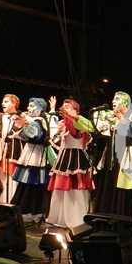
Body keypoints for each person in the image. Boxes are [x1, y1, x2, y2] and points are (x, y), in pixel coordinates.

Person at [46, 98, 95, 229]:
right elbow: (53, 139)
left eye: (68, 107)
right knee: (61, 189)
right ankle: (60, 217)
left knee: (75, 190)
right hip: (64, 158)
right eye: (64, 106)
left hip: (77, 158)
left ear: (75, 110)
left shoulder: (79, 122)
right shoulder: (62, 123)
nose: (65, 108)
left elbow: (89, 127)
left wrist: (75, 117)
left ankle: (77, 218)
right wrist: (53, 112)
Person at [92, 91, 132, 217]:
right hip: (110, 157)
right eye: (113, 99)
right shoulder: (111, 118)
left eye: (117, 99)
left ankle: (120, 216)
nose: (113, 101)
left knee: (122, 187)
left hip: (125, 157)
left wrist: (122, 119)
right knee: (108, 183)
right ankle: (104, 213)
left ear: (125, 103)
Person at [11, 97, 52, 222]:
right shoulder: (34, 121)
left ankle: (31, 211)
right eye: (29, 106)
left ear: (40, 109)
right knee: (27, 184)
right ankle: (28, 210)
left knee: (32, 184)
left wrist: (24, 123)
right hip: (30, 154)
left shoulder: (39, 121)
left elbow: (34, 134)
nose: (29, 108)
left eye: (32, 106)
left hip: (35, 157)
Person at [0, 94, 23, 204]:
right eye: (3, 101)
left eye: (6, 101)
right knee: (0, 179)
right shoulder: (0, 117)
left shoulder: (21, 117)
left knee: (11, 180)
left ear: (14, 103)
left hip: (13, 152)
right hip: (0, 153)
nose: (3, 103)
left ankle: (10, 204)